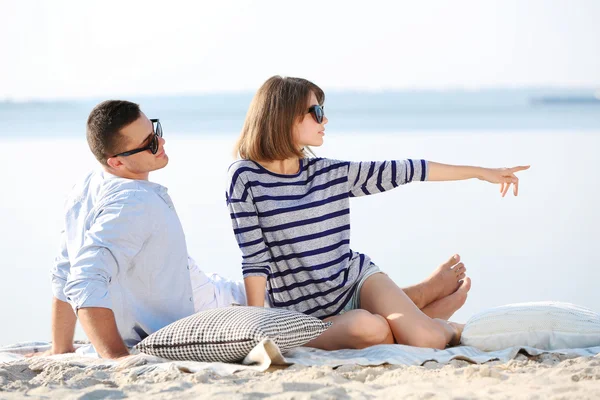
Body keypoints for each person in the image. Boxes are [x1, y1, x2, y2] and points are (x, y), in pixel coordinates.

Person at [33, 99, 466, 359]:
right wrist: (114, 359)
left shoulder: (88, 186)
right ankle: (418, 303)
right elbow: (84, 278)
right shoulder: (133, 203)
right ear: (117, 161)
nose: (161, 143)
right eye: (149, 144)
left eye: (156, 131)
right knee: (347, 322)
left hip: (214, 293)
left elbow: (63, 272)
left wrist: (62, 351)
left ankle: (412, 303)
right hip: (211, 320)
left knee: (306, 296)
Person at [226, 75, 530, 350]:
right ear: (287, 117)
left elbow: (409, 170)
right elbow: (255, 260)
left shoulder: (330, 173)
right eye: (317, 111)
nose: (325, 119)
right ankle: (421, 310)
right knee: (370, 328)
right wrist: (258, 324)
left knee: (428, 340)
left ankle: (439, 324)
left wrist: (482, 173)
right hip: (304, 313)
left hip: (358, 282)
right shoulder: (245, 178)